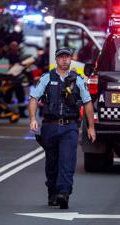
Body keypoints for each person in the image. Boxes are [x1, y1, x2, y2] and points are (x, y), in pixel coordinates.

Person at [29, 47, 96, 209]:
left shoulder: (78, 80)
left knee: (67, 161)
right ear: (56, 60)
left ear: (71, 59)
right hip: (50, 127)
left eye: (67, 57)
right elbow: (33, 99)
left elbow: (87, 103)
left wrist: (91, 127)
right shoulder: (47, 78)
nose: (64, 60)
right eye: (61, 57)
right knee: (51, 163)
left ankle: (63, 194)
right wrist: (32, 119)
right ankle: (52, 192)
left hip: (70, 127)